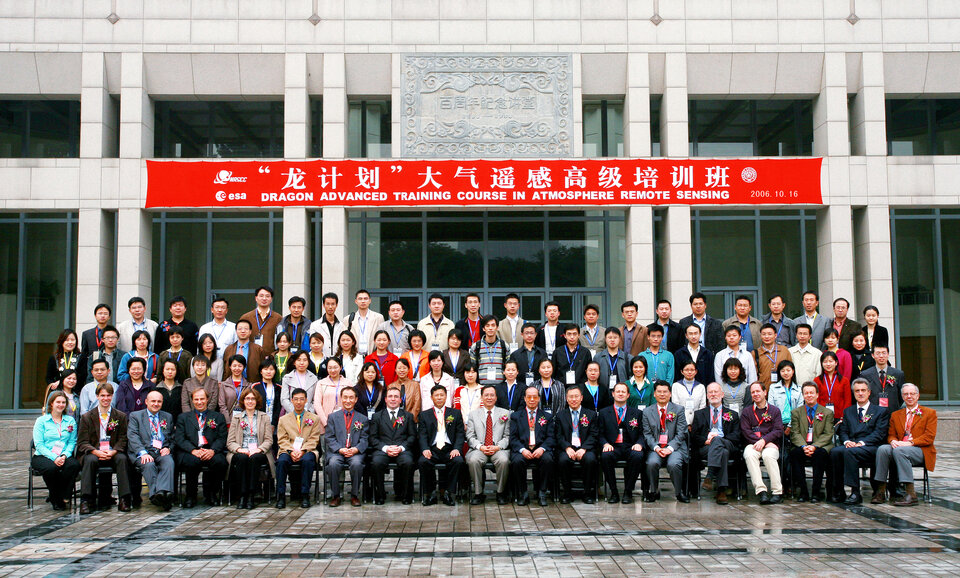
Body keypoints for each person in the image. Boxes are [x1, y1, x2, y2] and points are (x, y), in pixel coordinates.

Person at [874, 383, 937, 507]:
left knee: (900, 451)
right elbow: (891, 434)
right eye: (906, 394)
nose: (909, 396)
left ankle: (910, 493)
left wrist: (909, 443)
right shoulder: (896, 415)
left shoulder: (929, 413)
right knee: (883, 449)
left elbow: (929, 437)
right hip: (900, 447)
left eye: (912, 394)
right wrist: (893, 441)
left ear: (918, 396)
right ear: (902, 396)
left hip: (921, 450)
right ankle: (880, 491)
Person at [831, 378, 890, 505]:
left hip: (871, 447)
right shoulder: (848, 411)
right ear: (854, 393)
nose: (860, 393)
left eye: (863, 390)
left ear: (869, 392)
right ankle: (838, 491)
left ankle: (855, 492)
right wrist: (847, 441)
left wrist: (861, 443)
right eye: (857, 391)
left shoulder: (880, 411)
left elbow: (879, 433)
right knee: (835, 451)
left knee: (850, 453)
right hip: (852, 445)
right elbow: (843, 430)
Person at [76, 382, 131, 514]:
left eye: (108, 395)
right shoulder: (87, 417)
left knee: (122, 459)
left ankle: (124, 499)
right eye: (102, 395)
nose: (105, 398)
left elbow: (123, 438)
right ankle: (86, 500)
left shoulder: (120, 416)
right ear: (97, 396)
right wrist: (96, 452)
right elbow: (82, 442)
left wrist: (113, 451)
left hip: (113, 451)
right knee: (89, 460)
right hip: (94, 451)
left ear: (112, 396)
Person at [174, 388, 227, 507]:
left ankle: (212, 493)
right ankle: (190, 495)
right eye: (196, 399)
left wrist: (212, 450)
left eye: (202, 399)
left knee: (220, 462)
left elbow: (221, 438)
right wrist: (193, 451)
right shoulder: (183, 418)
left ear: (207, 399)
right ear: (192, 401)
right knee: (192, 462)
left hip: (211, 449)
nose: (199, 402)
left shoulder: (218, 417)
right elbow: (180, 439)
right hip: (191, 451)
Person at [690, 382, 741, 505]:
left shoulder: (733, 414)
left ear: (722, 394)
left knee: (718, 440)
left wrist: (719, 439)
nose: (713, 394)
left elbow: (736, 436)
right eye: (710, 392)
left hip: (727, 443)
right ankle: (721, 490)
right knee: (722, 452)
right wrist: (705, 440)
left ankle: (710, 475)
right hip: (707, 447)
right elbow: (694, 436)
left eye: (716, 391)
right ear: (707, 395)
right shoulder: (699, 414)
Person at [227, 387, 275, 510]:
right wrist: (239, 449)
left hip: (259, 450)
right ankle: (243, 495)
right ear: (243, 401)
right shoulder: (236, 418)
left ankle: (251, 495)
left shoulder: (264, 417)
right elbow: (230, 441)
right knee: (242, 459)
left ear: (257, 401)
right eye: (247, 399)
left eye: (253, 399)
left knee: (254, 459)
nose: (250, 401)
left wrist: (259, 449)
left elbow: (269, 440)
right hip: (241, 450)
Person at [32, 391, 81, 511]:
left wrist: (65, 455)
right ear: (52, 404)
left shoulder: (70, 421)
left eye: (63, 402)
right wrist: (54, 457)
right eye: (58, 402)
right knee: (51, 468)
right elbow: (38, 444)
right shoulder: (41, 421)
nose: (61, 405)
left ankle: (64, 494)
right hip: (43, 455)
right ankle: (56, 498)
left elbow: (72, 442)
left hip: (64, 454)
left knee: (74, 465)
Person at [127, 390, 175, 511]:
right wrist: (142, 452)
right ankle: (163, 496)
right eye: (153, 401)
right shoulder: (135, 416)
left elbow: (173, 437)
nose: (156, 404)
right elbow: (132, 436)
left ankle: (158, 494)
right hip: (143, 451)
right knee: (148, 464)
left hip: (161, 451)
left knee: (168, 461)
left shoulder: (167, 417)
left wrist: (168, 448)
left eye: (159, 401)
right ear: (146, 402)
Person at [597, 382, 645, 504]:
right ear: (613, 394)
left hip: (630, 446)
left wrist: (639, 443)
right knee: (605, 456)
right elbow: (600, 433)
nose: (620, 394)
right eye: (617, 391)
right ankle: (614, 492)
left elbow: (642, 433)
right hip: (612, 446)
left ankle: (628, 492)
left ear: (628, 395)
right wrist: (605, 444)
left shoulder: (637, 413)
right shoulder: (603, 413)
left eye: (623, 392)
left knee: (638, 456)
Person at [418, 385, 464, 506]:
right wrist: (425, 449)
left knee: (458, 461)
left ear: (446, 396)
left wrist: (456, 449)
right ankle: (430, 493)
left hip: (449, 448)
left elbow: (460, 434)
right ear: (431, 397)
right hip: (432, 449)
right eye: (436, 395)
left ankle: (449, 493)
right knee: (423, 461)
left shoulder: (455, 413)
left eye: (441, 395)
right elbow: (421, 435)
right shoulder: (424, 415)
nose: (439, 398)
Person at [642, 381, 688, 503]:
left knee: (674, 464)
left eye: (665, 392)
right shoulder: (647, 412)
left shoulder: (678, 410)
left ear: (670, 394)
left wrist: (670, 448)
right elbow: (647, 434)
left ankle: (679, 492)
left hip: (675, 447)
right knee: (651, 463)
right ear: (654, 394)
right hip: (656, 448)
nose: (662, 394)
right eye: (659, 392)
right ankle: (653, 490)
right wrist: (656, 448)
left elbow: (681, 433)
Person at [369, 387, 417, 504]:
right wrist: (385, 448)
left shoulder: (408, 416)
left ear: (400, 400)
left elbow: (412, 436)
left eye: (396, 397)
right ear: (385, 399)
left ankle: (406, 496)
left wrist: (401, 447)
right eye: (390, 396)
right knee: (376, 463)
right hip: (383, 449)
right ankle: (380, 496)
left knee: (408, 462)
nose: (393, 399)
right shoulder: (377, 416)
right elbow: (372, 438)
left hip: (402, 449)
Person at [509, 386, 555, 506]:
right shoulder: (516, 416)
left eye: (535, 397)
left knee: (548, 459)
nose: (532, 399)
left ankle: (542, 493)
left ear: (539, 399)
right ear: (524, 398)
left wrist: (542, 448)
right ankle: (523, 493)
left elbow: (551, 437)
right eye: (529, 397)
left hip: (540, 449)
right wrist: (522, 450)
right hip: (523, 449)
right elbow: (512, 438)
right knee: (517, 461)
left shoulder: (547, 416)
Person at [788, 383, 835, 503]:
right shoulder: (796, 412)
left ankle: (816, 492)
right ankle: (803, 492)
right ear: (803, 395)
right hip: (802, 444)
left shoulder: (827, 412)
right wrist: (804, 446)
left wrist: (814, 446)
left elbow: (828, 434)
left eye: (811, 393)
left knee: (820, 455)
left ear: (817, 394)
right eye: (806, 393)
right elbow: (795, 433)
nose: (809, 395)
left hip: (820, 445)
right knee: (795, 454)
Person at [466, 384, 512, 505]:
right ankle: (478, 493)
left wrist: (497, 447)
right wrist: (480, 447)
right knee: (473, 460)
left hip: (498, 448)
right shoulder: (473, 414)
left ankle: (500, 492)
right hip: (480, 448)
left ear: (496, 398)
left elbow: (507, 436)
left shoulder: (505, 413)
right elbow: (470, 436)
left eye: (492, 395)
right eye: (486, 395)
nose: (489, 398)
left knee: (503, 460)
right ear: (481, 397)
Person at [276, 387, 322, 508]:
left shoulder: (314, 418)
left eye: (302, 399)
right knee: (281, 461)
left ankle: (305, 494)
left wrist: (302, 450)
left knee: (308, 460)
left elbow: (314, 439)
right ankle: (280, 495)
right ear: (291, 400)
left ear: (306, 400)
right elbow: (282, 439)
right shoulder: (283, 419)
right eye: (296, 399)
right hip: (288, 450)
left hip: (307, 449)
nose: (298, 402)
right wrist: (291, 451)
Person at [740, 382, 785, 504]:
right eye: (753, 392)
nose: (755, 394)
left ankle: (777, 492)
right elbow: (746, 431)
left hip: (771, 444)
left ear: (765, 392)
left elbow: (778, 430)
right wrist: (760, 442)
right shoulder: (746, 412)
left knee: (768, 456)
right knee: (749, 454)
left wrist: (765, 441)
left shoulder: (774, 410)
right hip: (753, 443)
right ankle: (761, 491)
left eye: (758, 391)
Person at [554, 385, 598, 504]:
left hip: (585, 448)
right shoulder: (560, 416)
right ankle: (567, 493)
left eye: (576, 396)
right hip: (567, 447)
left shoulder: (591, 414)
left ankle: (587, 493)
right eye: (571, 397)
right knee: (563, 460)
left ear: (581, 398)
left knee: (590, 460)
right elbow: (558, 435)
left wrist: (584, 448)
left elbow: (594, 434)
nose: (574, 399)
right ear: (566, 399)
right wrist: (567, 447)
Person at [238, 286, 281, 356]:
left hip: (270, 359)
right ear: (256, 298)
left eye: (267, 296)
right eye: (261, 296)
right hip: (250, 356)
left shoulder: (278, 318)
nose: (264, 298)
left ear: (271, 299)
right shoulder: (246, 317)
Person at [860, 344, 905, 410]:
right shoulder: (865, 375)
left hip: (892, 411)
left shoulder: (898, 374)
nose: (881, 356)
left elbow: (901, 396)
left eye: (884, 353)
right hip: (872, 412)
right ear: (873, 355)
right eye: (878, 353)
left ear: (888, 354)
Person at [753, 323, 793, 392]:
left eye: (769, 334)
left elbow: (790, 370)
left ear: (775, 335)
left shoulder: (784, 350)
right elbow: (753, 375)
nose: (767, 336)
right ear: (760, 336)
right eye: (764, 334)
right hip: (764, 391)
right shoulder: (755, 353)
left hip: (783, 391)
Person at [471, 315, 509, 387]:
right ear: (483, 328)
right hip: (481, 386)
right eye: (487, 326)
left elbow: (508, 367)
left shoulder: (504, 346)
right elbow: (473, 368)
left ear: (497, 327)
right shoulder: (476, 347)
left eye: (493, 325)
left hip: (500, 387)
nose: (490, 328)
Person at [767, 360, 802, 435]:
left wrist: (790, 426)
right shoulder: (773, 388)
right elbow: (771, 408)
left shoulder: (799, 389)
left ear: (793, 371)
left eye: (788, 370)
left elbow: (800, 409)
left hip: (795, 424)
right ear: (779, 372)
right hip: (777, 424)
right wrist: (778, 425)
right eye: (782, 371)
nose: (785, 373)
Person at [508, 322, 548, 388]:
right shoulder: (515, 354)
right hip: (520, 386)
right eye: (526, 333)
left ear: (535, 334)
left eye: (532, 333)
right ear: (522, 335)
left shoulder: (542, 353)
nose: (529, 335)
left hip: (539, 386)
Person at [814, 351, 851, 420]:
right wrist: (819, 414)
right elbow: (816, 400)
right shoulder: (817, 380)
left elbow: (847, 401)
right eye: (825, 362)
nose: (828, 364)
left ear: (836, 363)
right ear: (821, 364)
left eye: (831, 361)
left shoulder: (844, 381)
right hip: (822, 416)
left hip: (840, 416)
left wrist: (844, 416)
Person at [347, 289, 384, 356]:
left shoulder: (378, 317)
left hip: (372, 355)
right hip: (354, 356)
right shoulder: (348, 319)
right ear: (356, 301)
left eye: (365, 299)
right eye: (360, 299)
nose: (363, 301)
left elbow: (382, 337)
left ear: (370, 301)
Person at [78, 303, 112, 376]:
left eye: (105, 314)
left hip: (108, 368)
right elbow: (84, 354)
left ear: (109, 316)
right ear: (95, 316)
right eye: (100, 313)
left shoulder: (113, 333)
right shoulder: (87, 334)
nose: (102, 316)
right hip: (91, 369)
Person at [310, 292, 347, 358]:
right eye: (328, 304)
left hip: (338, 360)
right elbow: (313, 345)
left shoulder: (342, 325)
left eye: (333, 304)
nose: (330, 307)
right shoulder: (315, 325)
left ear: (336, 305)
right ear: (324, 305)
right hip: (321, 360)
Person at [315, 356, 347, 432]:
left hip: (344, 423)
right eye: (330, 368)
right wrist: (325, 423)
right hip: (325, 425)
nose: (333, 370)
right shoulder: (321, 383)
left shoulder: (347, 383)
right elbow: (317, 404)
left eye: (335, 367)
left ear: (340, 367)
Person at [218, 355, 251, 422]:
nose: (237, 368)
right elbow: (222, 405)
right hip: (228, 420)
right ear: (230, 366)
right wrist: (227, 421)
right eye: (234, 366)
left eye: (240, 366)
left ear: (244, 367)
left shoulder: (248, 385)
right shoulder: (223, 385)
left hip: (244, 420)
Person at [254, 358, 283, 429]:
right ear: (261, 371)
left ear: (275, 371)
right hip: (257, 423)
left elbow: (279, 407)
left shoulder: (279, 388)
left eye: (271, 369)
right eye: (266, 369)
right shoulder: (255, 386)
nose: (268, 372)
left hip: (274, 423)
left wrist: (274, 424)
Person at [154, 359, 182, 423]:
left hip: (178, 424)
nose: (170, 372)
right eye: (167, 369)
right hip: (160, 423)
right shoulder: (156, 389)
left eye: (173, 369)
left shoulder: (181, 388)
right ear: (163, 371)